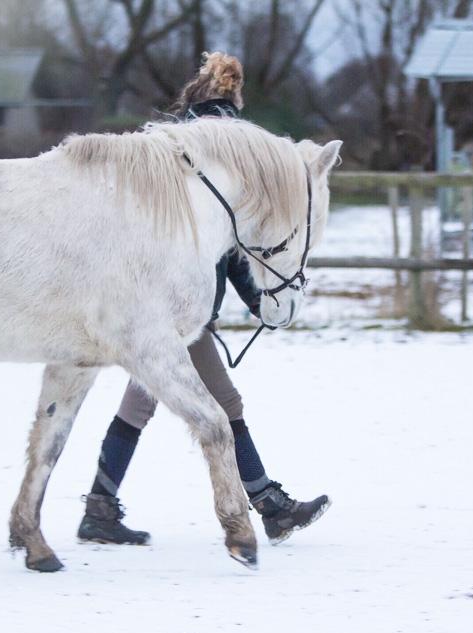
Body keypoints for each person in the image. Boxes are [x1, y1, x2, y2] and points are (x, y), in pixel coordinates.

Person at [78, 53, 331, 546]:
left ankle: (100, 508)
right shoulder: (222, 157)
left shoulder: (173, 150)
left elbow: (227, 249)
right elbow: (237, 247)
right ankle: (270, 506)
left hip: (155, 307)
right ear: (234, 105)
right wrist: (258, 301)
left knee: (139, 406)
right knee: (225, 402)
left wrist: (255, 301)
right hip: (176, 313)